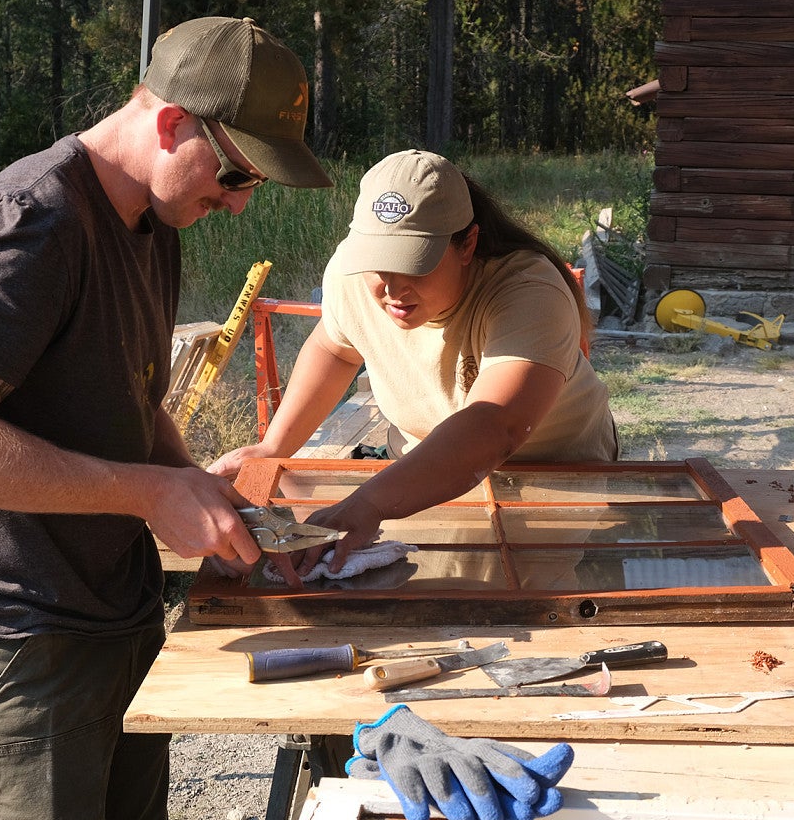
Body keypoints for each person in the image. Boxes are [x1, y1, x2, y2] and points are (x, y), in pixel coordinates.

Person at [0, 15, 331, 820]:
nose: (236, 208)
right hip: (20, 633)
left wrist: (192, 489)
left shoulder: (152, 217)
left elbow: (131, 391)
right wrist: (147, 495)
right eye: (235, 179)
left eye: (252, 187)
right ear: (170, 124)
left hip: (110, 609)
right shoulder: (29, 225)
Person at [209, 148, 617, 575]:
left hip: (554, 478)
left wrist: (367, 503)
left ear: (467, 245)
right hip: (424, 473)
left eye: (415, 266)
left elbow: (495, 425)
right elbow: (335, 348)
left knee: (528, 600)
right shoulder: (352, 276)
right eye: (379, 265)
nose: (392, 287)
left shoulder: (529, 291)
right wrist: (273, 448)